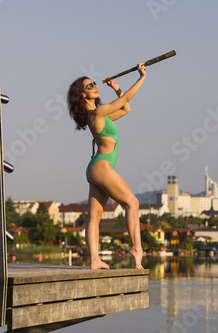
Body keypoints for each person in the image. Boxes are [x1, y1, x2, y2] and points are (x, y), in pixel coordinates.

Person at [67, 63, 146, 269]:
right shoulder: (97, 113)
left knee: (94, 216)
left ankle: (95, 259)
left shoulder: (99, 115)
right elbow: (126, 100)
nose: (94, 86)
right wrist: (141, 77)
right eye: (89, 86)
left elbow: (126, 108)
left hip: (95, 169)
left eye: (93, 83)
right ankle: (137, 249)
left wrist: (116, 87)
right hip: (101, 167)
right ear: (82, 95)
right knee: (132, 204)